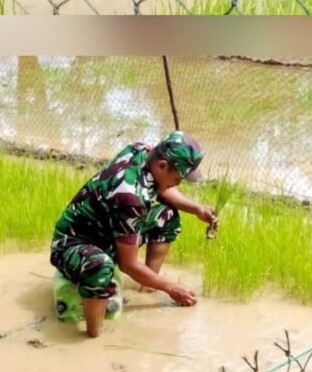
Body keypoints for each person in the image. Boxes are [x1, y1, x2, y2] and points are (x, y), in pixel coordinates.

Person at [49, 132, 219, 338]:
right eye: (178, 178)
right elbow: (128, 264)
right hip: (71, 244)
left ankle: (147, 288)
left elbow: (160, 187)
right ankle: (94, 333)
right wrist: (170, 287)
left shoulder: (141, 151)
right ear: (162, 165)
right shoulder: (130, 198)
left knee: (166, 216)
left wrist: (196, 208)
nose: (178, 183)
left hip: (105, 234)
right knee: (100, 265)